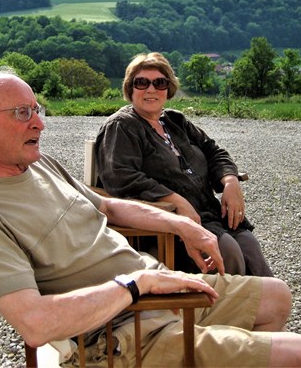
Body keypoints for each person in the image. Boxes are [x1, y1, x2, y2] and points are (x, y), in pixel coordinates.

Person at [0, 66, 301, 367]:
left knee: (277, 296)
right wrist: (136, 284)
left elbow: (107, 206)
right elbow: (35, 323)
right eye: (22, 113)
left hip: (155, 289)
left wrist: (180, 223)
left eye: (37, 110)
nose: (40, 123)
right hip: (121, 333)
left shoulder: (39, 164)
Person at [95, 52, 273, 277]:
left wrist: (230, 181)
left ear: (168, 88)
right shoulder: (122, 127)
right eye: (142, 82)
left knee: (249, 246)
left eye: (159, 83)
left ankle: (267, 308)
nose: (151, 89)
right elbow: (119, 177)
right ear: (130, 88)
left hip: (208, 213)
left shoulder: (175, 121)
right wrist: (174, 200)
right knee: (228, 252)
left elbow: (213, 150)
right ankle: (223, 310)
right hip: (167, 226)